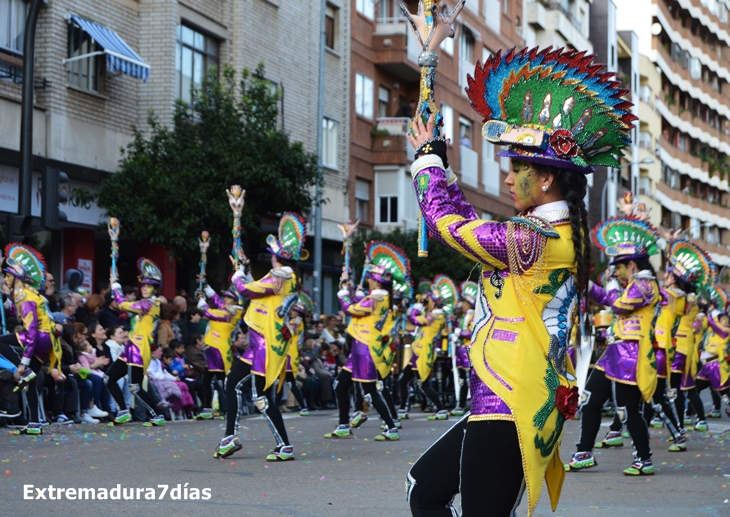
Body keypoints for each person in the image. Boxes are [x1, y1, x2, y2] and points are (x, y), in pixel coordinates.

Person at [402, 46, 631, 515]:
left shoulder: (540, 240)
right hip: (503, 393)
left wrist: (427, 164)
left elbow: (452, 228)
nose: (508, 180)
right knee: (425, 488)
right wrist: (439, 165)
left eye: (516, 169)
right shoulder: (542, 233)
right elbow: (471, 228)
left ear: (545, 179)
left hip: (513, 399)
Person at [568, 216, 661, 476]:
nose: (615, 272)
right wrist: (585, 286)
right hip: (614, 352)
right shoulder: (631, 284)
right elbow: (610, 300)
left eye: (618, 267)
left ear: (631, 265)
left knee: (627, 409)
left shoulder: (645, 284)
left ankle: (644, 459)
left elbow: (618, 305)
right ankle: (584, 451)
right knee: (589, 399)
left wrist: (607, 286)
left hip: (631, 354)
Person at [214, 212, 308, 461]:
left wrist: (238, 276)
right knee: (232, 382)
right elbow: (256, 289)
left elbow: (247, 290)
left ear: (277, 256)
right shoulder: (281, 276)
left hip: (267, 343)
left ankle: (285, 446)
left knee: (261, 398)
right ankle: (229, 437)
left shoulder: (282, 276)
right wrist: (243, 269)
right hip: (257, 343)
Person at [0, 244, 63, 435]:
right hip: (46, 340)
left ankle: (20, 369)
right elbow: (18, 314)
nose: (5, 279)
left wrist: (23, 362)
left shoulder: (26, 297)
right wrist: (6, 298)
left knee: (1, 342)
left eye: (7, 276)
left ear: (14, 278)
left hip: (38, 338)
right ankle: (35, 423)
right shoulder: (26, 295)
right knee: (31, 383)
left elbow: (32, 331)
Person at [106, 258, 165, 426]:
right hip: (130, 347)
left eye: (149, 285)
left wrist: (115, 285)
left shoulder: (151, 304)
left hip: (140, 349)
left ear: (155, 288)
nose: (145, 288)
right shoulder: (144, 303)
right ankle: (123, 410)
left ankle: (156, 415)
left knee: (134, 386)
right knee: (109, 378)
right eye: (143, 285)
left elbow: (122, 304)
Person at [196, 284, 244, 420]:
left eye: (229, 297)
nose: (226, 299)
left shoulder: (233, 312)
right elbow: (217, 301)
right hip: (212, 347)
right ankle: (207, 408)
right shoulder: (228, 309)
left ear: (235, 300)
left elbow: (209, 312)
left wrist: (201, 300)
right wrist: (206, 288)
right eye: (226, 297)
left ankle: (232, 409)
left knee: (222, 381)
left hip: (218, 349)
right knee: (207, 379)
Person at [451, 281, 477, 416]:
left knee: (469, 379)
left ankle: (473, 404)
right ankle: (460, 404)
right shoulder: (462, 317)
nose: (463, 306)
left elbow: (473, 332)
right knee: (461, 379)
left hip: (468, 350)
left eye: (465, 303)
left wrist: (459, 333)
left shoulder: (473, 316)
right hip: (459, 351)